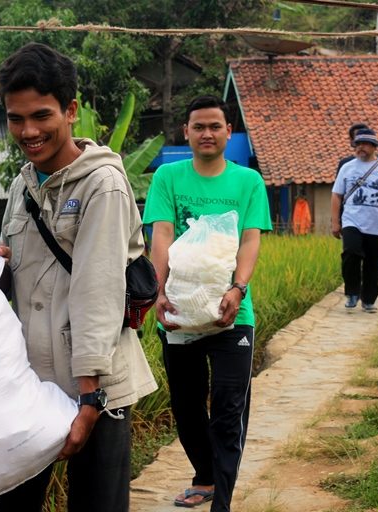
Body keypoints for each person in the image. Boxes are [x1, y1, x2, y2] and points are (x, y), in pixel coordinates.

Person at [0, 42, 157, 512]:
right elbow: (11, 277)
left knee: (97, 504)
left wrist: (90, 398)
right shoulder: (21, 186)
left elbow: (98, 291)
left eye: (41, 116)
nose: (28, 131)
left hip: (95, 385)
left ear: (70, 110)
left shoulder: (101, 184)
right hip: (31, 387)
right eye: (15, 118)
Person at [143, 95, 272, 511]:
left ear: (228, 132)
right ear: (186, 132)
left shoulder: (248, 181)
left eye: (215, 126)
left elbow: (250, 238)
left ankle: (223, 500)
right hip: (179, 312)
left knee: (230, 407)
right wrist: (159, 291)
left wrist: (238, 288)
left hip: (233, 313)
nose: (207, 133)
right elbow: (161, 234)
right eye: (198, 126)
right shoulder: (168, 177)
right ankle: (205, 475)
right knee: (186, 405)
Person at [331, 128, 378, 312]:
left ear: (373, 147)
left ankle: (368, 299)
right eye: (357, 144)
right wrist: (335, 222)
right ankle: (352, 292)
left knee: (373, 263)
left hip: (377, 225)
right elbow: (336, 195)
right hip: (352, 221)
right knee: (351, 253)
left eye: (364, 144)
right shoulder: (347, 168)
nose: (360, 147)